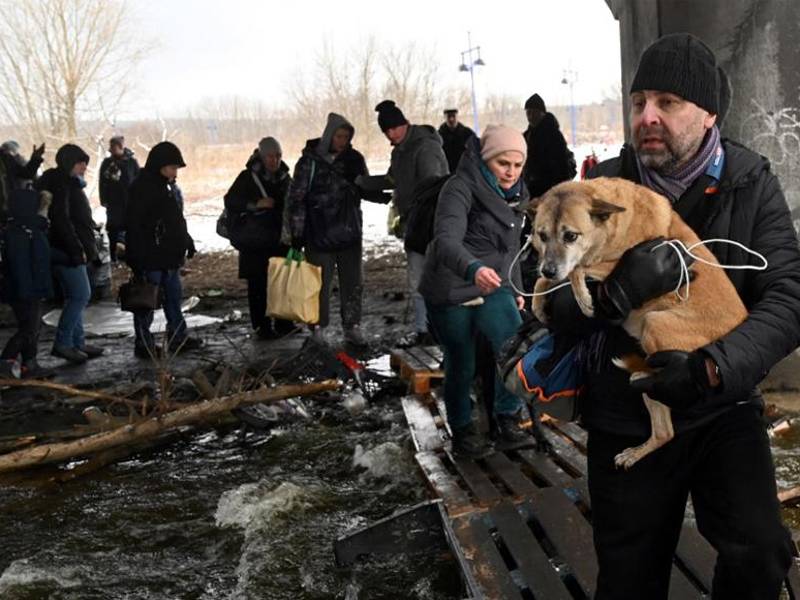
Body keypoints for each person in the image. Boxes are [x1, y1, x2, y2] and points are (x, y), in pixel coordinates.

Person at [543, 33, 800, 598]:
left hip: (720, 405)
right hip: (625, 407)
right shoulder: (596, 190)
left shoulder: (750, 184)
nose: (647, 117)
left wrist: (712, 366)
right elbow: (542, 298)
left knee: (762, 554)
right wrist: (612, 297)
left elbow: (788, 299)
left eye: (668, 102)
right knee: (628, 578)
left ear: (708, 113)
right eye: (638, 103)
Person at [419, 124, 532, 458]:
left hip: (493, 282)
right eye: (503, 164)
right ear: (486, 160)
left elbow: (511, 250)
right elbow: (445, 241)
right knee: (462, 360)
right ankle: (464, 430)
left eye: (517, 164)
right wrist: (473, 268)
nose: (511, 172)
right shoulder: (459, 187)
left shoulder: (516, 194)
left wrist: (516, 289)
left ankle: (507, 418)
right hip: (452, 284)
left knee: (514, 347)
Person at [288, 113, 376, 346]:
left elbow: (365, 186)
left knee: (353, 282)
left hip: (349, 232)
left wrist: (378, 190)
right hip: (318, 233)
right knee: (318, 285)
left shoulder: (354, 159)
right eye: (338, 136)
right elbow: (296, 199)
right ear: (329, 135)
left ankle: (352, 326)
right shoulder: (310, 162)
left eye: (346, 137)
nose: (342, 141)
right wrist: (297, 233)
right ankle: (317, 328)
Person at [375, 100, 449, 346]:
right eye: (386, 131)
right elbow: (394, 179)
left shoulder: (425, 148)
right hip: (413, 222)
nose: (390, 135)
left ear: (404, 124)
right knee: (416, 279)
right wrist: (366, 183)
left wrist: (417, 213)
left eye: (393, 129)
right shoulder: (399, 151)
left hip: (430, 222)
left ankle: (438, 329)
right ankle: (423, 329)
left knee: (433, 279)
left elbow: (434, 186)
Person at [125, 141, 203, 358]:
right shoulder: (143, 188)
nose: (175, 172)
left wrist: (185, 240)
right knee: (146, 301)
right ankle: (144, 344)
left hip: (168, 255)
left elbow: (174, 219)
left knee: (173, 299)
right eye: (173, 167)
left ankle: (178, 336)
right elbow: (135, 224)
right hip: (151, 255)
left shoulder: (166, 186)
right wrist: (137, 257)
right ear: (161, 165)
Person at [37, 144, 104, 364]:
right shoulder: (61, 184)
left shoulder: (64, 182)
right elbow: (62, 221)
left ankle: (77, 342)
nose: (84, 167)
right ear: (69, 162)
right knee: (80, 295)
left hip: (66, 247)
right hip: (66, 249)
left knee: (74, 296)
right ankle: (64, 343)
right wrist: (76, 249)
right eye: (80, 163)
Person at [224, 137, 293, 339]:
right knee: (258, 286)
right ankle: (262, 327)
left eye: (278, 156)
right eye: (270, 156)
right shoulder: (247, 177)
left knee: (282, 282)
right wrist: (256, 204)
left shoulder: (285, 178)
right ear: (262, 157)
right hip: (254, 242)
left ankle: (284, 323)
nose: (275, 161)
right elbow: (231, 201)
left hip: (279, 240)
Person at [0, 142, 51, 378]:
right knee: (29, 326)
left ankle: (29, 363)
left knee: (31, 326)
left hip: (28, 287)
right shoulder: (20, 235)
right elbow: (21, 266)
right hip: (25, 289)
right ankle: (6, 362)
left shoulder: (30, 231)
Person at [522, 93, 575, 198]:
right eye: (528, 113)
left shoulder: (553, 134)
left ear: (542, 113)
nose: (531, 116)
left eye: (534, 112)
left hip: (550, 189)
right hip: (532, 188)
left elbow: (562, 164)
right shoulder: (527, 135)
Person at [98, 135, 140, 261]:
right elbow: (102, 182)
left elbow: (138, 181)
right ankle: (113, 256)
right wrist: (103, 199)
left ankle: (131, 255)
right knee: (113, 230)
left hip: (129, 202)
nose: (111, 149)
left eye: (113, 147)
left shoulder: (132, 162)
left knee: (131, 229)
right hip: (113, 203)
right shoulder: (107, 163)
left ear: (120, 147)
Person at [438, 108, 475, 173]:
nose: (451, 119)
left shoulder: (467, 133)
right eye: (449, 117)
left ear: (457, 117)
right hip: (446, 171)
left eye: (453, 116)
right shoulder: (439, 135)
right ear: (445, 118)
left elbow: (475, 150)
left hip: (464, 170)